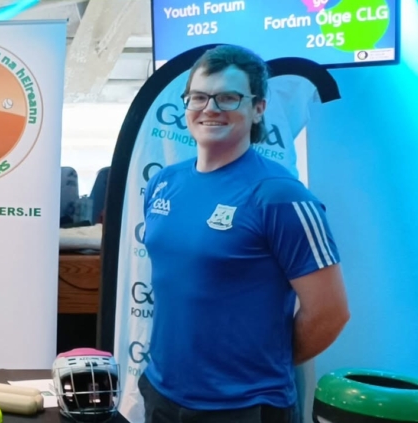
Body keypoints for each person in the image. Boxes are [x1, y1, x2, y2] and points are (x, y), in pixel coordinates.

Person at [139, 45, 350, 423]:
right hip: (162, 393)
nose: (210, 108)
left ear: (258, 108)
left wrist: (260, 364)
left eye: (229, 97)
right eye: (199, 96)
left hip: (244, 407)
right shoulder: (163, 183)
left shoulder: (280, 195)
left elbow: (330, 313)